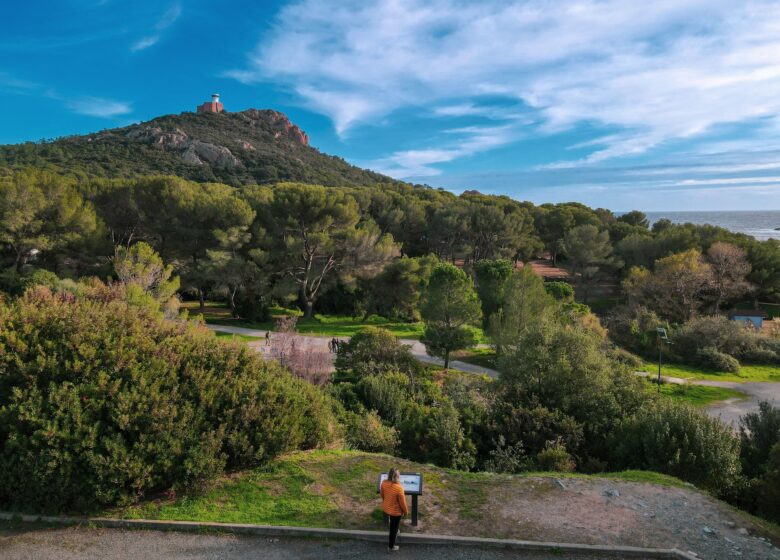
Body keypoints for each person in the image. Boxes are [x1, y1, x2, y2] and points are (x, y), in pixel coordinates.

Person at [380, 467, 408, 551]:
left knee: (393, 523)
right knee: (393, 529)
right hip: (396, 512)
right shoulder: (399, 488)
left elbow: (382, 495)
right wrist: (406, 512)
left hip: (387, 508)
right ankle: (391, 546)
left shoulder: (383, 483)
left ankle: (396, 531)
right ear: (397, 477)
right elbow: (402, 503)